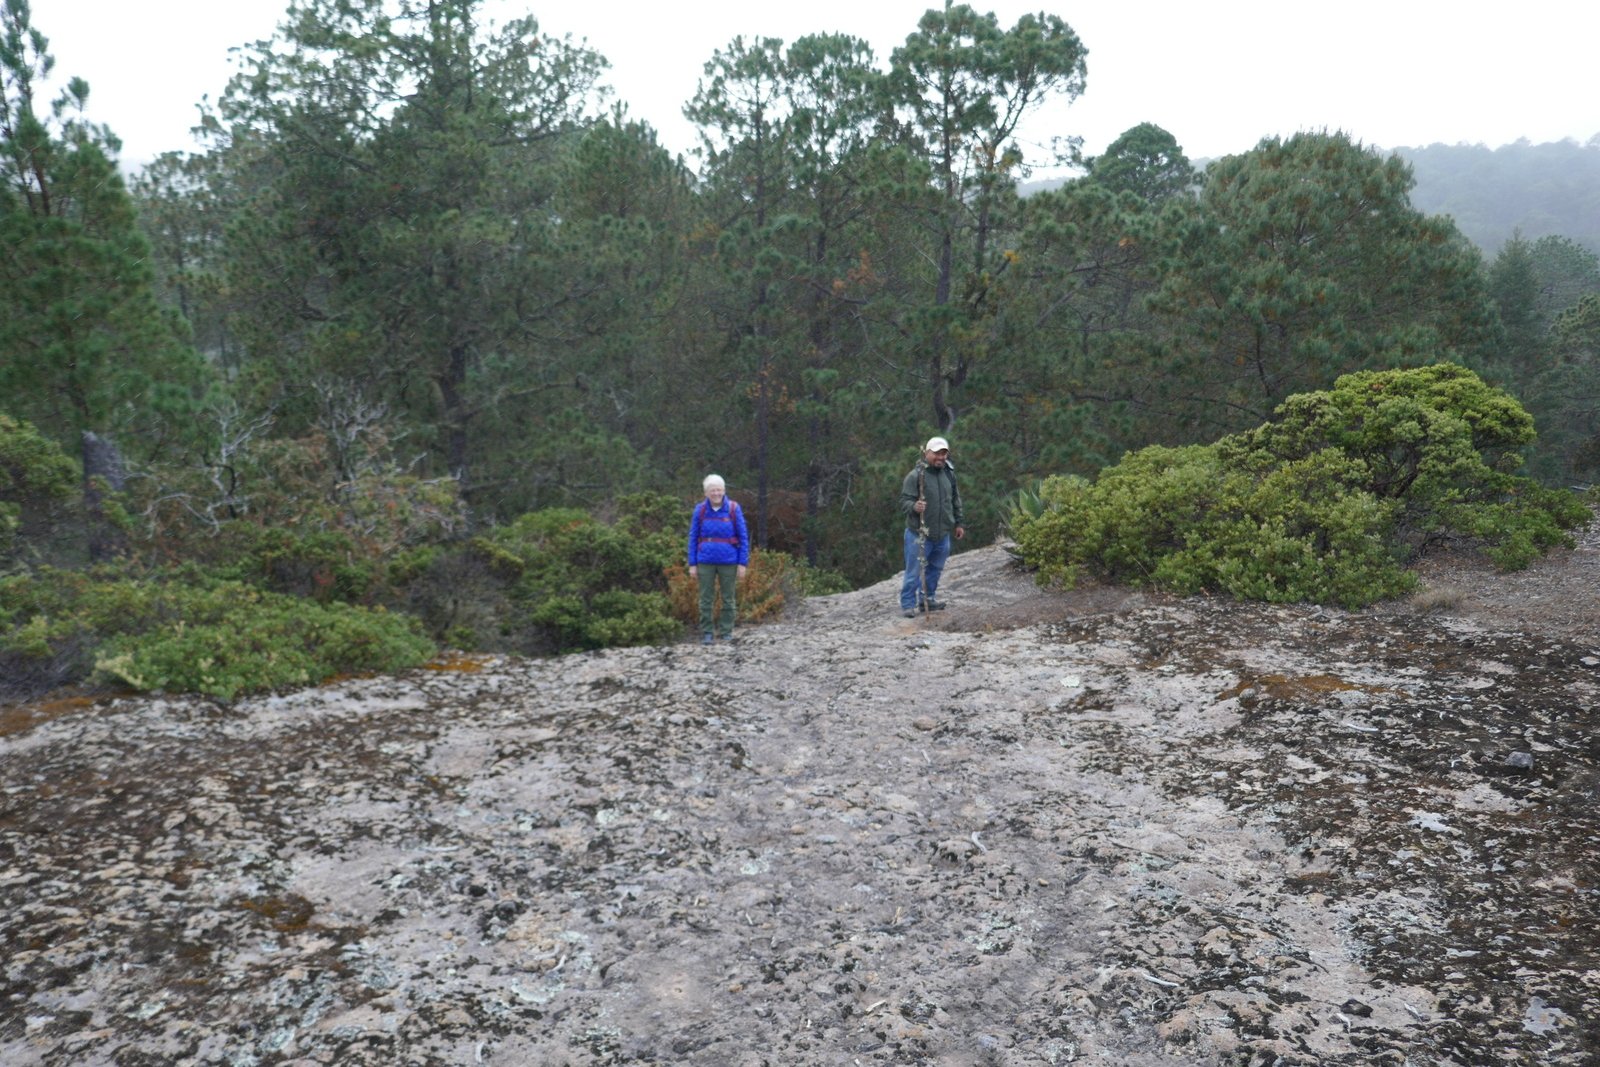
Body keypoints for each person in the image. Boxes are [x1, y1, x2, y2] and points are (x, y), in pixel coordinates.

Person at [899, 436, 965, 618]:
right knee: (914, 571)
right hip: (918, 534)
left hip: (942, 534)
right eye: (937, 453)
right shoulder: (916, 476)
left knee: (935, 569)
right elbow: (904, 501)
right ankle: (908, 604)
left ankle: (927, 600)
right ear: (927, 453)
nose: (941, 457)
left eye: (944, 454)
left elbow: (955, 499)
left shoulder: (949, 474)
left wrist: (959, 523)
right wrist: (914, 506)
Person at [687, 474, 749, 644]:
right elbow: (693, 537)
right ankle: (707, 632)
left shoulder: (733, 508)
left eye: (719, 490)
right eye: (712, 490)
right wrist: (692, 564)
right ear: (706, 493)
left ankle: (726, 631)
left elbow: (743, 537)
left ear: (724, 490)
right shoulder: (700, 510)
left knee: (728, 598)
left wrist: (742, 563)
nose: (716, 493)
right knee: (706, 598)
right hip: (705, 561)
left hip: (729, 561)